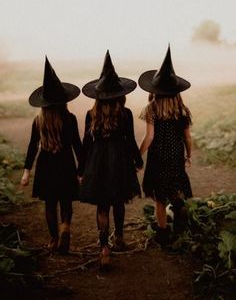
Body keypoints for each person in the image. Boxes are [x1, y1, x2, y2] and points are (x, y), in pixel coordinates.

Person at [78, 50, 143, 268]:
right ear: (120, 94)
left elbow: (86, 144)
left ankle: (104, 247)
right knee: (119, 200)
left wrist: (81, 169)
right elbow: (131, 140)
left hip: (97, 162)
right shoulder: (126, 113)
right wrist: (138, 161)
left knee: (103, 205)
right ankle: (120, 237)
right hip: (120, 160)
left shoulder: (91, 114)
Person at [21, 56, 82, 254]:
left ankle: (54, 239)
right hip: (65, 165)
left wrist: (26, 171)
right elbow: (77, 145)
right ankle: (65, 225)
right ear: (64, 100)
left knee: (49, 204)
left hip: (46, 166)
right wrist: (82, 169)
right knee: (65, 201)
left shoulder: (38, 121)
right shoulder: (70, 119)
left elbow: (32, 146)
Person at [138, 45, 193, 245]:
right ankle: (178, 206)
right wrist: (188, 155)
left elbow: (149, 137)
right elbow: (187, 137)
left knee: (159, 199)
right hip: (176, 154)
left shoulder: (151, 109)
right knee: (175, 185)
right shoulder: (182, 110)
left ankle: (162, 234)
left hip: (157, 157)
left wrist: (137, 156)